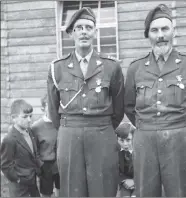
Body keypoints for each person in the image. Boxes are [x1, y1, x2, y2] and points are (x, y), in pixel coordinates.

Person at [124, 4, 186, 197]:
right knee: (146, 192)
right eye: (154, 30)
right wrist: (148, 126)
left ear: (173, 31)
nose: (160, 35)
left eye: (165, 29)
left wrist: (182, 125)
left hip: (180, 139)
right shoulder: (136, 68)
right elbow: (129, 106)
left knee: (180, 192)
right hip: (145, 140)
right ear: (148, 35)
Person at [47, 7, 124, 197]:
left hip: (101, 133)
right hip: (69, 136)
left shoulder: (111, 66)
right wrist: (71, 128)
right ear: (72, 33)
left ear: (95, 32)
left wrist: (100, 126)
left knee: (103, 188)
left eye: (88, 27)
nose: (83, 31)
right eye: (79, 27)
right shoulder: (57, 68)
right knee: (73, 189)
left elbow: (119, 108)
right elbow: (53, 109)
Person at [0, 99, 43, 197]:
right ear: (13, 118)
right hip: (19, 187)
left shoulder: (30, 132)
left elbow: (34, 153)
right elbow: (5, 165)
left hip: (32, 182)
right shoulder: (9, 139)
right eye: (25, 117)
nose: (29, 120)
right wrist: (17, 179)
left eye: (30, 116)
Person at [31, 94, 60, 197]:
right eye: (50, 105)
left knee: (61, 191)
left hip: (60, 163)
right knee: (46, 193)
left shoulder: (61, 124)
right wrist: (41, 166)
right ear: (43, 108)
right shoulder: (36, 127)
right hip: (45, 166)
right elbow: (34, 150)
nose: (53, 108)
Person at [115, 122, 136, 197]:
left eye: (128, 140)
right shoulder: (116, 152)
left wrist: (135, 181)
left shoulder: (140, 152)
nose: (125, 144)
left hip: (141, 182)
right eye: (121, 140)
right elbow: (116, 171)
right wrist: (124, 181)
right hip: (125, 183)